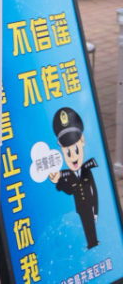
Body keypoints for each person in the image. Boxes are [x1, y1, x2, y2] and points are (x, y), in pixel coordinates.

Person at [50, 107, 100, 249]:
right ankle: (91, 243)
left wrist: (96, 211)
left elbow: (94, 191)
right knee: (85, 225)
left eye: (75, 149)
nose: (72, 156)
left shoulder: (87, 171)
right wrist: (58, 181)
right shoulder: (68, 175)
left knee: (91, 224)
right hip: (81, 208)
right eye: (67, 151)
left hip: (89, 205)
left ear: (82, 140)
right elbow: (70, 191)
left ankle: (94, 241)